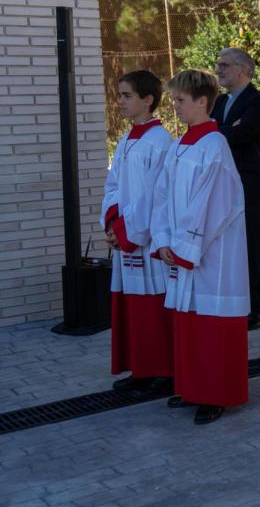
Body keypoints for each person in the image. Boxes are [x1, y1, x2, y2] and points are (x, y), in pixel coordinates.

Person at [151, 69, 249, 425]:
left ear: (202, 102)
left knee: (212, 326)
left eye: (180, 101)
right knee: (188, 323)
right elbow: (160, 196)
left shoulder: (215, 146)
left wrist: (181, 246)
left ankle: (217, 392)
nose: (174, 107)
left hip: (212, 256)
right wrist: (162, 239)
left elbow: (213, 207)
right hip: (183, 251)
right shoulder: (179, 145)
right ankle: (192, 386)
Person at [102, 70, 174, 397]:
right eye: (119, 95)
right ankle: (141, 369)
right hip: (126, 236)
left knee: (153, 307)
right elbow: (114, 185)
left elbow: (154, 197)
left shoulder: (160, 142)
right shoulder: (128, 139)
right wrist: (113, 222)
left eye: (126, 95)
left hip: (146, 242)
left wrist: (127, 230)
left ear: (148, 100)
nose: (120, 102)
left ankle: (161, 371)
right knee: (133, 306)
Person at [211, 48, 260, 331]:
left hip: (250, 184)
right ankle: (236, 300)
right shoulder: (221, 101)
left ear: (243, 70)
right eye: (218, 64)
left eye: (224, 64)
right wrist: (223, 128)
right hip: (223, 185)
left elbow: (239, 134)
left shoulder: (257, 102)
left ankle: (259, 307)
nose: (218, 69)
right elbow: (207, 130)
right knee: (230, 247)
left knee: (251, 246)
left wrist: (219, 130)